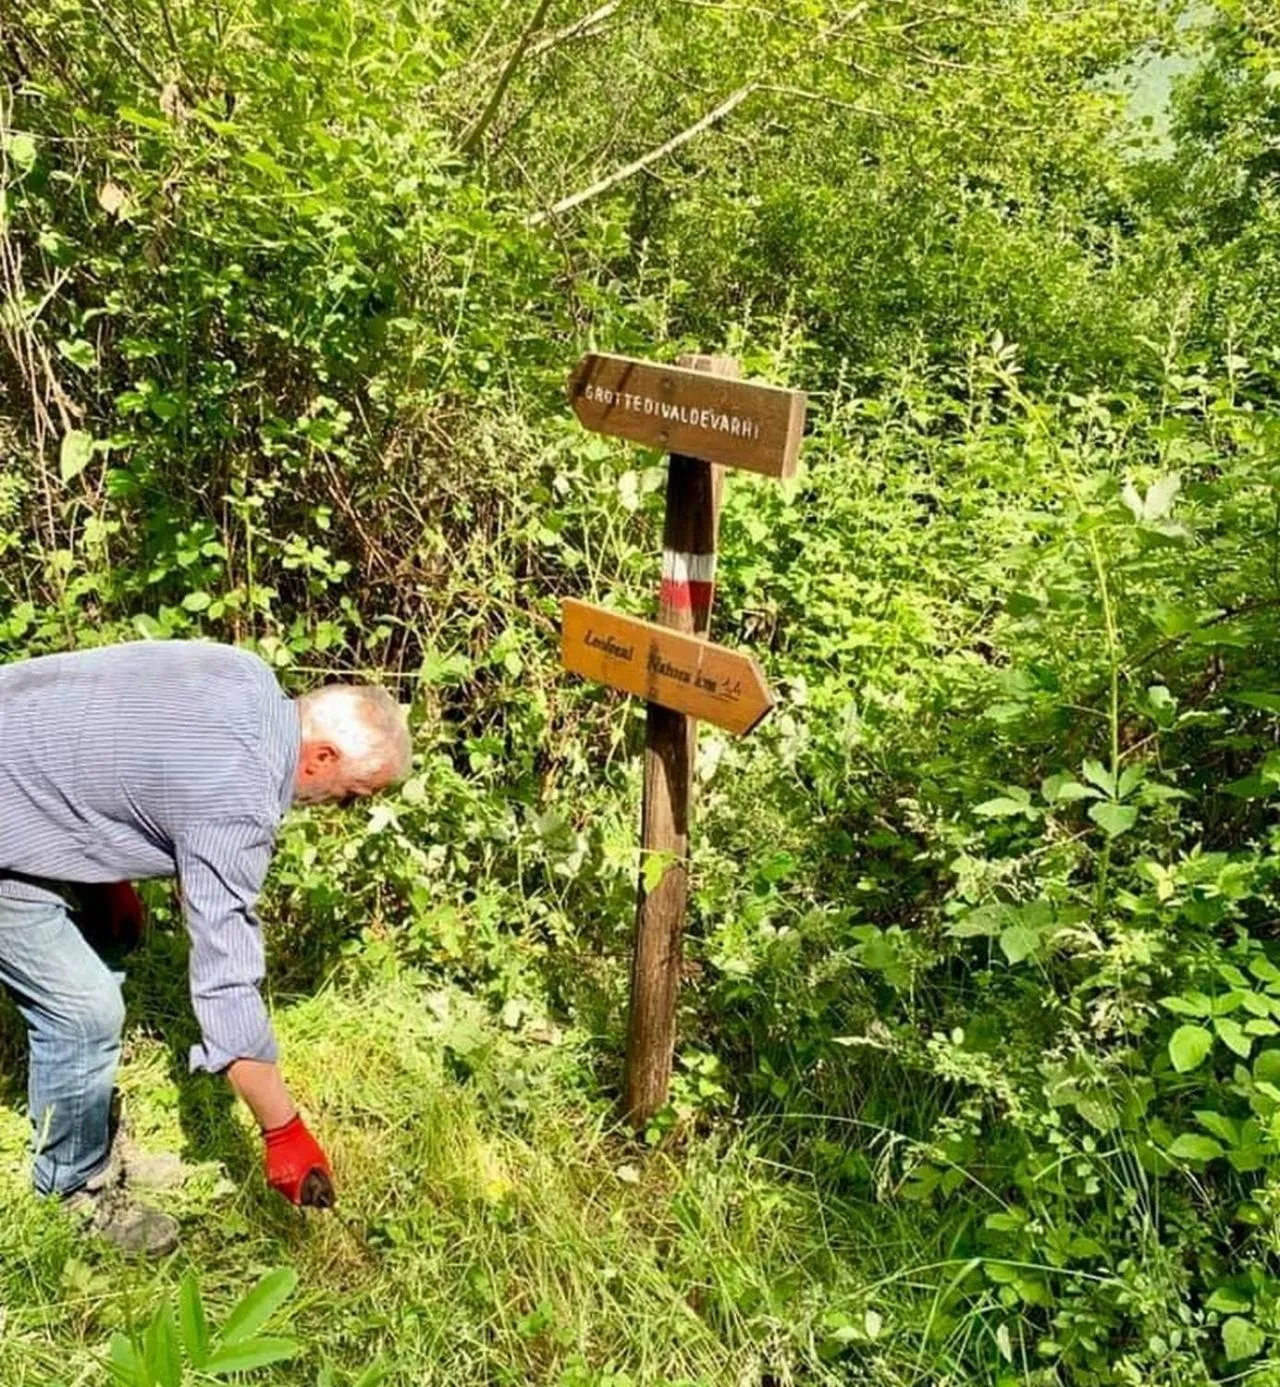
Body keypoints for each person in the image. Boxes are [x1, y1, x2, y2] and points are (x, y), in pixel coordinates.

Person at [0, 640, 412, 1254]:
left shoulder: (241, 673)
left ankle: (87, 1129)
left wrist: (102, 870)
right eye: (352, 794)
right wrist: (283, 1132)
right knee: (85, 1012)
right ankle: (73, 1190)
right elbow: (225, 984)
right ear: (322, 757)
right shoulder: (240, 800)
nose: (342, 809)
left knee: (101, 946)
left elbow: (112, 737)